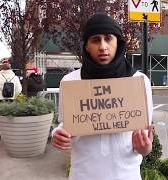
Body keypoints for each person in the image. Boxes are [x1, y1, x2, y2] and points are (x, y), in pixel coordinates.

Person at [51, 13, 154, 180]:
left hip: (126, 175)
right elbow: (66, 124)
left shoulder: (139, 82)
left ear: (118, 43)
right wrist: (57, 135)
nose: (103, 46)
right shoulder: (70, 82)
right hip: (83, 175)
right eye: (95, 40)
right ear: (86, 46)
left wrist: (145, 148)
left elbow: (144, 134)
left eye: (108, 38)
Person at [0, 59, 22, 141]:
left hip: (0, 100)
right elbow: (19, 89)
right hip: (10, 100)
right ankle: (11, 135)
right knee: (10, 117)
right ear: (10, 68)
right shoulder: (14, 77)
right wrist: (14, 96)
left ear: (1, 68)